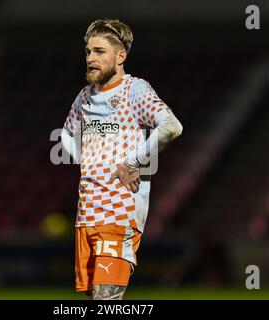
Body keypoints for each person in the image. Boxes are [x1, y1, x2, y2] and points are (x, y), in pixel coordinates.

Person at [61, 18, 183, 300]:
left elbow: (171, 126)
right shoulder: (84, 97)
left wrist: (133, 163)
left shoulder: (134, 90)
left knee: (107, 301)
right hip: (87, 214)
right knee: (95, 300)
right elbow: (66, 135)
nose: (90, 58)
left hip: (119, 212)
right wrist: (88, 161)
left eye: (99, 51)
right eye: (88, 51)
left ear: (120, 56)